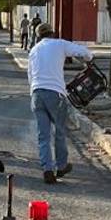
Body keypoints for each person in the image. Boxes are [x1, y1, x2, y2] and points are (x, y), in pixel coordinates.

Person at [28, 22, 93, 184]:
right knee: (59, 131)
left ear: (38, 36)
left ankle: (47, 168)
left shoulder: (34, 50)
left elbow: (30, 75)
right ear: (52, 33)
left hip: (36, 94)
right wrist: (89, 58)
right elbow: (83, 52)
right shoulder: (59, 44)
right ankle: (61, 165)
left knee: (43, 135)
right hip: (55, 94)